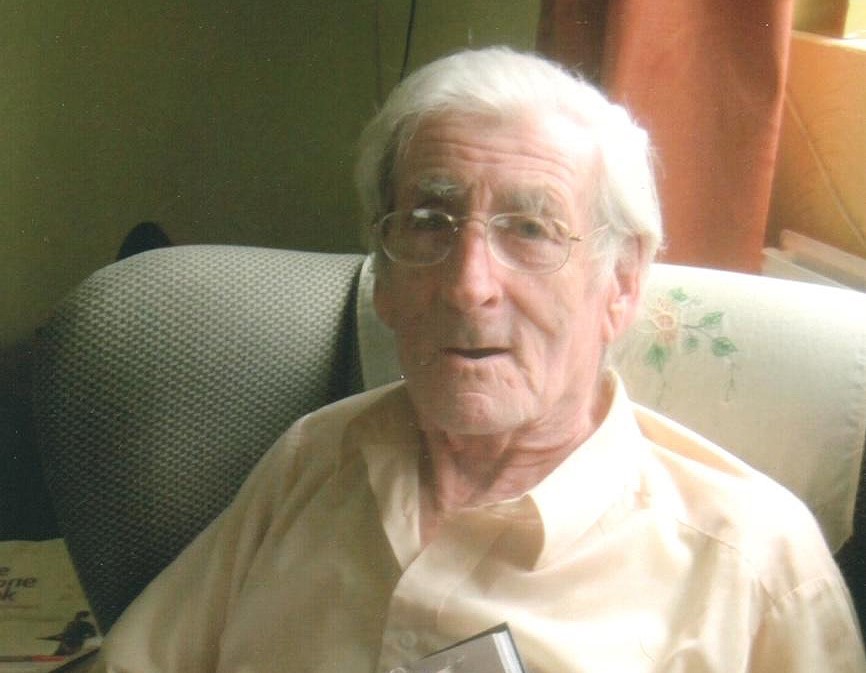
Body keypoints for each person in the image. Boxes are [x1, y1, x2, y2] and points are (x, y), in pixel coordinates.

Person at [93, 47, 866, 672]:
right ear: (385, 277)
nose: (468, 286)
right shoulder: (311, 463)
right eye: (430, 222)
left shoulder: (754, 570)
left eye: (530, 230)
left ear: (621, 283)